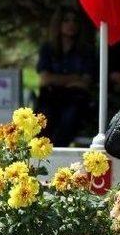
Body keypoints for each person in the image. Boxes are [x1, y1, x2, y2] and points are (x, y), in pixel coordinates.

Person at [36, 8, 95, 148]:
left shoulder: (86, 51)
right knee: (43, 121)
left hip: (75, 98)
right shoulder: (48, 48)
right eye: (66, 20)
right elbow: (44, 79)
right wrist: (73, 78)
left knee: (69, 119)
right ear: (58, 24)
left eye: (75, 21)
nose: (71, 24)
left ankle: (58, 155)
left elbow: (85, 82)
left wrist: (56, 79)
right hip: (50, 97)